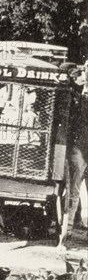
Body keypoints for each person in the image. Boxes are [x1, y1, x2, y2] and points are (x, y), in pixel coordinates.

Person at [59, 67, 88, 250]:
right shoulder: (74, 97)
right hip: (79, 148)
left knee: (74, 191)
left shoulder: (79, 97)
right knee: (73, 192)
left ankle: (67, 234)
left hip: (80, 148)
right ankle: (65, 235)